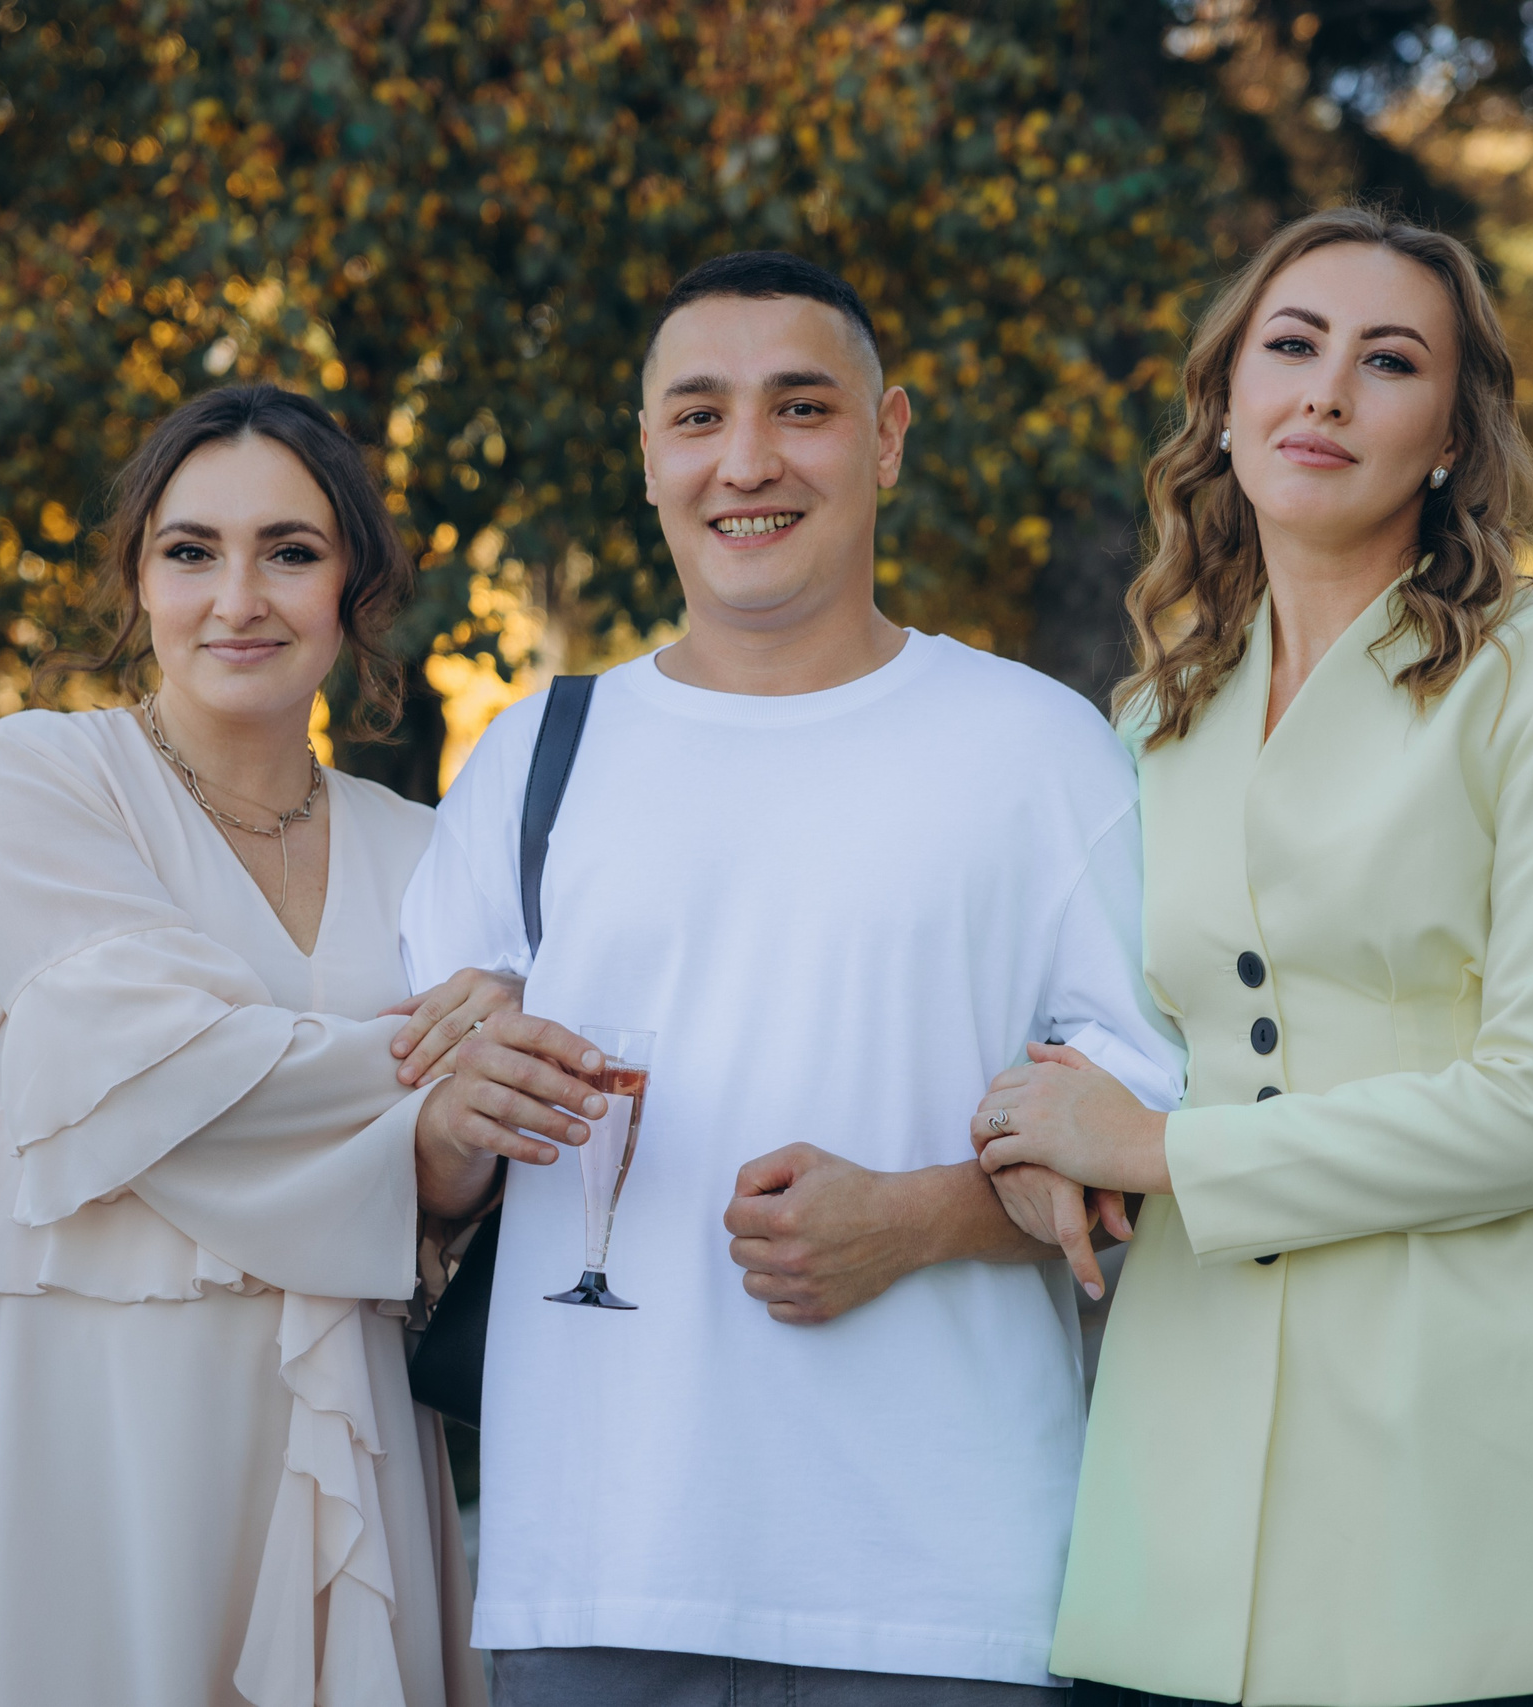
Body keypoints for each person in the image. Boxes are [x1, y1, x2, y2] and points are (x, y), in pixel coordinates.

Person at [971, 207, 1533, 1707]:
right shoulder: (1151, 720)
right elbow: (1125, 1040)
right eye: (1291, 346)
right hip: (1206, 1405)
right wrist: (1042, 1140)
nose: (1326, 391)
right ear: (1228, 399)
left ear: (1450, 437)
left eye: (1388, 362)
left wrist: (1160, 1150)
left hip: (1518, 1393)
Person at [392, 250, 1184, 1706]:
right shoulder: (534, 757)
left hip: (940, 1590)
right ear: (649, 457)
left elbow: (1149, 1137)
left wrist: (917, 1219)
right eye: (698, 416)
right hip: (598, 1572)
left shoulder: (1038, 752)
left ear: (887, 437)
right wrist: (455, 1121)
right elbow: (424, 1176)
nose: (746, 461)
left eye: (801, 408)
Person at [0, 386, 490, 1707]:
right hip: (81, 1412)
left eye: (289, 551)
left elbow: (465, 1175)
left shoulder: (431, 854)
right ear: (139, 579)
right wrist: (422, 1097)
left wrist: (452, 1142)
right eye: (192, 551)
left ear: (353, 584)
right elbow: (161, 1062)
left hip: (342, 1419)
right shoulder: (35, 778)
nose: (238, 598)